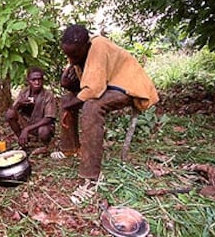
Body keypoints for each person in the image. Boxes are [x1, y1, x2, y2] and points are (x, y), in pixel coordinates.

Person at [58, 24, 159, 200]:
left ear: (85, 46)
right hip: (107, 87)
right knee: (67, 99)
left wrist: (72, 103)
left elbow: (94, 89)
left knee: (92, 107)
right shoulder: (79, 54)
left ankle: (92, 177)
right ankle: (70, 148)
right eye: (67, 55)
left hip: (128, 87)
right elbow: (84, 86)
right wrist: (67, 86)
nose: (70, 59)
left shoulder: (98, 46)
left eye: (73, 55)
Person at [5, 67, 56, 152]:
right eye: (34, 80)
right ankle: (23, 140)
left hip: (41, 125)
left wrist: (27, 129)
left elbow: (49, 118)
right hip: (27, 122)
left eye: (39, 79)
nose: (37, 82)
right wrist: (19, 104)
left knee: (43, 131)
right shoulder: (24, 92)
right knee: (10, 114)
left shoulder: (48, 95)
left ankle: (45, 144)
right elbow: (11, 110)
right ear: (28, 81)